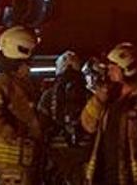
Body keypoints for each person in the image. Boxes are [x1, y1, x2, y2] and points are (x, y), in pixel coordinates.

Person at [81, 42, 137, 185]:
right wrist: (99, 98)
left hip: (132, 177)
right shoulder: (108, 98)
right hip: (103, 175)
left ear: (127, 70)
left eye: (113, 69)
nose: (108, 72)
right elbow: (88, 125)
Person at [0, 26, 44, 185]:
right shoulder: (2, 81)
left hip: (20, 162)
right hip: (11, 165)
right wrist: (11, 132)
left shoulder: (15, 81)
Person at [39, 50, 90, 185]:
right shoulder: (88, 95)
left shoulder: (48, 95)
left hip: (57, 152)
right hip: (83, 150)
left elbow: (41, 125)